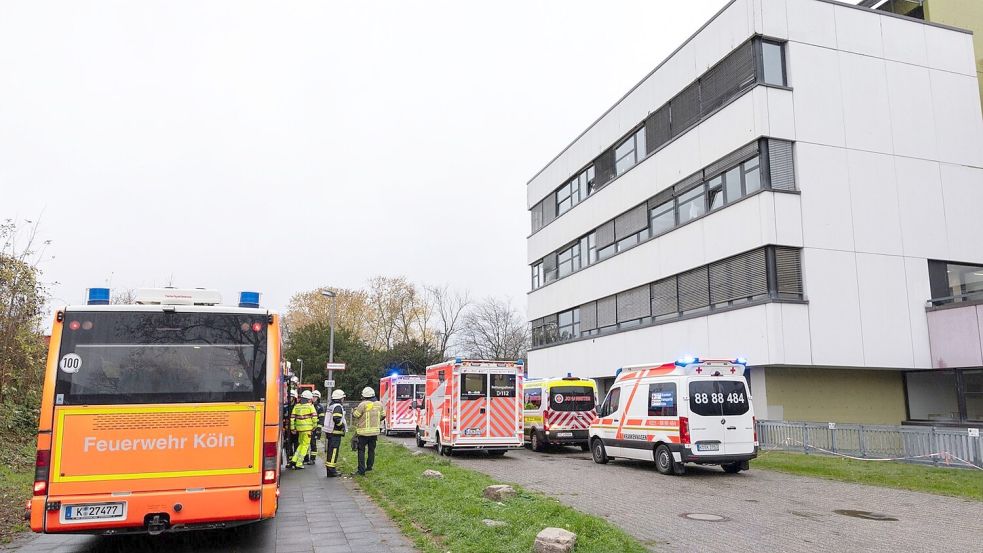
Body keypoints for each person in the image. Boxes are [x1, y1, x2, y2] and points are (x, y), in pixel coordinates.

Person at [351, 386, 382, 476]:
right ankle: (369, 467)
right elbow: (383, 415)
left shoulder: (363, 404)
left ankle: (361, 471)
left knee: (361, 451)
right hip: (374, 432)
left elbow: (356, 415)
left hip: (363, 433)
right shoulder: (379, 404)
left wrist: (354, 410)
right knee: (371, 450)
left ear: (364, 396)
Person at [289, 390, 318, 469]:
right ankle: (299, 463)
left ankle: (294, 460)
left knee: (301, 445)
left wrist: (292, 428)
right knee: (305, 446)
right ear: (309, 399)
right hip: (308, 430)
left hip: (299, 430)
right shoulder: (310, 406)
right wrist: (314, 426)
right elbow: (314, 418)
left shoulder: (296, 406)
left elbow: (292, 418)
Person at [324, 389, 348, 477]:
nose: (343, 399)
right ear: (340, 398)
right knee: (334, 452)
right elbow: (336, 419)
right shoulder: (337, 407)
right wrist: (342, 426)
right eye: (343, 398)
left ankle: (329, 469)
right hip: (335, 433)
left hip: (330, 432)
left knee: (330, 452)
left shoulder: (331, 406)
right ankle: (332, 471)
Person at [306, 390, 325, 465]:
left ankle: (312, 459)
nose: (314, 398)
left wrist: (319, 429)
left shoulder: (320, 407)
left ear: (318, 398)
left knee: (313, 443)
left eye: (315, 397)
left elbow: (321, 419)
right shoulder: (308, 405)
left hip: (315, 428)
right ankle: (306, 458)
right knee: (306, 443)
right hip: (307, 427)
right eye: (313, 397)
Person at [282, 390, 299, 465]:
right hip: (287, 429)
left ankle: (295, 460)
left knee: (296, 445)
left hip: (296, 429)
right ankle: (289, 461)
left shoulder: (298, 406)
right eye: (289, 397)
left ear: (294, 397)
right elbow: (282, 417)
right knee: (288, 445)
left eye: (291, 397)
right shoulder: (285, 406)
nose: (290, 398)